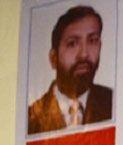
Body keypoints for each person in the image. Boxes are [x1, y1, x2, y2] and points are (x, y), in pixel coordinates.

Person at [28, 5, 112, 134]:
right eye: (72, 43)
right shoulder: (31, 119)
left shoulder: (114, 103)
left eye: (92, 40)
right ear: (53, 58)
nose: (84, 54)